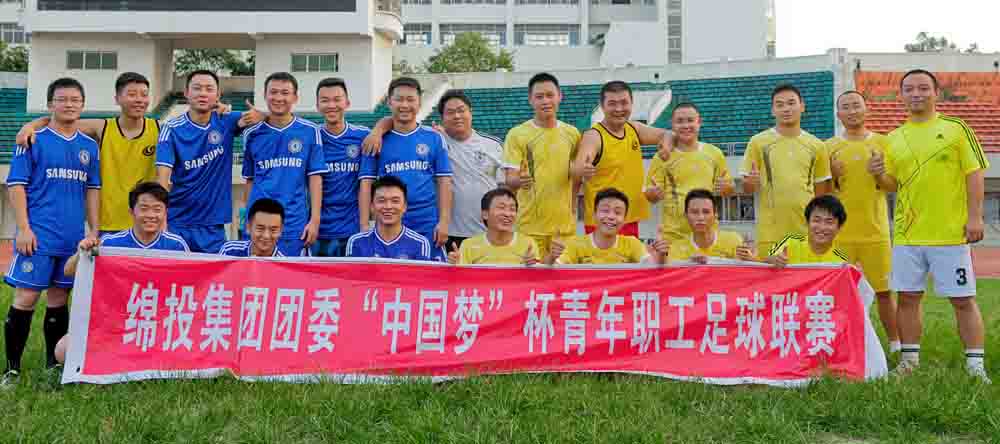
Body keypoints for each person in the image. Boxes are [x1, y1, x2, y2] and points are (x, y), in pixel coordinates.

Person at [868, 69, 990, 382]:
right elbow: (892, 184)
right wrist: (878, 173)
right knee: (908, 298)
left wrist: (975, 217)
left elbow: (974, 173)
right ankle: (909, 361)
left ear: (936, 92)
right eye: (909, 89)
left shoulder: (956, 129)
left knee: (962, 299)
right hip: (908, 236)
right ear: (901, 96)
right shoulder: (894, 138)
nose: (916, 94)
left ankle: (975, 367)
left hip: (950, 235)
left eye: (923, 88)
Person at [2, 78, 101, 386]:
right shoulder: (32, 139)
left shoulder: (89, 147)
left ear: (82, 105)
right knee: (26, 297)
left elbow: (93, 190)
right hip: (38, 235)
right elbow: (16, 185)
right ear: (50, 104)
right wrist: (23, 228)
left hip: (71, 238)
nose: (69, 104)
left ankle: (53, 366)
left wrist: (94, 229)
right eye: (62, 99)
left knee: (59, 298)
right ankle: (12, 370)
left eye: (75, 99)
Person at [56, 182, 189, 365]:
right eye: (144, 209)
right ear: (131, 211)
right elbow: (68, 271)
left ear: (165, 213)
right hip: (116, 323)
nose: (151, 215)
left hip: (159, 324)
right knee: (63, 350)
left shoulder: (177, 245)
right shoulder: (110, 243)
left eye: (157, 209)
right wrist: (81, 253)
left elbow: (192, 286)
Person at [15, 73, 164, 236]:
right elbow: (60, 120)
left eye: (144, 94)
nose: (139, 100)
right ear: (117, 99)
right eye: (132, 94)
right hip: (108, 223)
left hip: (146, 222)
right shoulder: (102, 127)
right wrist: (30, 126)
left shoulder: (160, 129)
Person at [156, 69, 262, 253]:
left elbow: (269, 117)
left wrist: (260, 115)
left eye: (209, 89)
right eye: (197, 88)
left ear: (218, 95)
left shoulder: (226, 120)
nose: (203, 93)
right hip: (177, 222)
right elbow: (162, 180)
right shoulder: (172, 129)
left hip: (213, 226)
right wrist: (162, 219)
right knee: (175, 271)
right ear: (186, 93)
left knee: (214, 272)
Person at [827, 90, 899, 353]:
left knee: (884, 292)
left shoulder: (883, 143)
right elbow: (822, 192)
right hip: (840, 234)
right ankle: (838, 344)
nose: (852, 111)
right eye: (846, 107)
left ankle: (896, 345)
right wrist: (833, 176)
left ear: (866, 109)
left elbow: (893, 186)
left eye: (856, 105)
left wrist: (879, 175)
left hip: (875, 232)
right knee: (838, 293)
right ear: (838, 114)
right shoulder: (828, 147)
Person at [359, 77, 453, 249]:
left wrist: (444, 221)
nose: (404, 105)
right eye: (399, 99)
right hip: (388, 223)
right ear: (389, 102)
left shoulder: (434, 138)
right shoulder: (375, 140)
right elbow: (366, 184)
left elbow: (444, 182)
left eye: (410, 99)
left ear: (419, 103)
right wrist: (364, 225)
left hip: (426, 223)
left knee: (428, 266)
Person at [241, 72, 327, 256]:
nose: (279, 98)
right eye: (273, 92)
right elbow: (250, 180)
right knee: (256, 272)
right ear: (265, 95)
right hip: (259, 223)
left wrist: (315, 221)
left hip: (294, 222)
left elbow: (315, 178)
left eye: (285, 93)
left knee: (291, 272)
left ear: (295, 97)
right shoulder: (252, 133)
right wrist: (247, 217)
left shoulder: (310, 131)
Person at [572, 80, 673, 237]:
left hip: (629, 219)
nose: (619, 109)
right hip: (602, 222)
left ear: (632, 103)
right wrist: (582, 169)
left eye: (624, 103)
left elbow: (667, 134)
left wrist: (666, 146)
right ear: (602, 106)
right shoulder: (593, 136)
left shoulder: (634, 128)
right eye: (612, 104)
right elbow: (578, 168)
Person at [742, 83, 833, 256]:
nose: (786, 109)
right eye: (780, 104)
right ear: (772, 110)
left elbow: (820, 195)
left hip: (805, 233)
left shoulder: (817, 145)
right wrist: (751, 183)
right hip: (770, 234)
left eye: (791, 103)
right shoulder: (758, 142)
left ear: (802, 106)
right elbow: (748, 189)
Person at [503, 73, 582, 259]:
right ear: (530, 100)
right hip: (529, 228)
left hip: (564, 230)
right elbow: (510, 178)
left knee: (563, 276)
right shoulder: (517, 134)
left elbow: (576, 176)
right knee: (532, 276)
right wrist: (520, 180)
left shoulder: (573, 134)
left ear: (559, 96)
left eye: (550, 95)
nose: (545, 101)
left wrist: (572, 205)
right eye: (539, 97)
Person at [645, 102, 733, 242]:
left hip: (707, 236)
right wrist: (653, 193)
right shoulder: (662, 157)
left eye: (690, 120)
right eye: (680, 121)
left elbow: (728, 190)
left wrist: (726, 188)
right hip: (673, 236)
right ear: (672, 124)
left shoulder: (714, 153)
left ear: (699, 122)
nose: (686, 126)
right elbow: (650, 196)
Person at [312, 78, 369, 257]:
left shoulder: (363, 136)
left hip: (352, 229)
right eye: (325, 100)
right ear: (317, 106)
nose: (331, 105)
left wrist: (364, 226)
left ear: (347, 103)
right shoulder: (311, 136)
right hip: (317, 230)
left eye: (337, 99)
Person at [548, 188, 669, 265]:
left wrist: (661, 255)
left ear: (624, 219)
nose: (611, 216)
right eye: (605, 210)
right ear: (594, 215)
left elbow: (651, 267)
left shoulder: (632, 244)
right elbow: (553, 269)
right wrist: (551, 257)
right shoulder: (576, 245)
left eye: (617, 212)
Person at [347, 176, 440, 261]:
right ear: (372, 206)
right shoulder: (356, 242)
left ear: (405, 206)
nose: (388, 206)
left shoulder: (420, 244)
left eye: (395, 201)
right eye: (381, 201)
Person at [449, 187, 540, 265]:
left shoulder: (528, 244)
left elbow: (536, 277)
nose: (507, 214)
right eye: (501, 208)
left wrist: (531, 267)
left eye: (512, 209)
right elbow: (462, 277)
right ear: (485, 214)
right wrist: (455, 266)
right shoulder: (468, 246)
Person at [668, 189, 753, 263]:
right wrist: (690, 266)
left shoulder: (734, 241)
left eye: (706, 212)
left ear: (715, 215)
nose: (701, 217)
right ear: (686, 216)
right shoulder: (676, 249)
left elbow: (747, 271)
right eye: (694, 212)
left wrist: (750, 260)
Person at [764, 195, 849, 267]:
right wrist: (771, 261)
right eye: (816, 220)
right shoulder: (789, 242)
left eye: (829, 222)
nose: (822, 227)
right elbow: (762, 266)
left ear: (839, 227)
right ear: (807, 222)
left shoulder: (841, 263)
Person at [219, 198, 286, 258]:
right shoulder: (229, 251)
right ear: (248, 227)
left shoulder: (284, 264)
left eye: (273, 230)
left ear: (281, 230)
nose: (266, 236)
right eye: (260, 228)